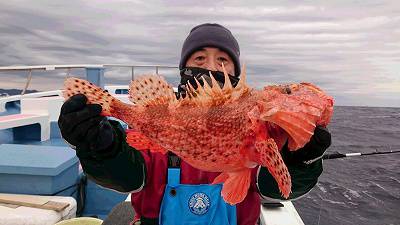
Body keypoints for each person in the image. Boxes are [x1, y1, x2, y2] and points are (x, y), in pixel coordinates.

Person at [58, 23, 331, 225]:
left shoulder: (259, 121)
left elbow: (277, 189)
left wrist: (299, 161)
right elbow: (129, 176)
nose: (212, 67)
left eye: (222, 60)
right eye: (200, 59)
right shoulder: (166, 114)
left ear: (236, 72)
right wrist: (101, 147)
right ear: (184, 69)